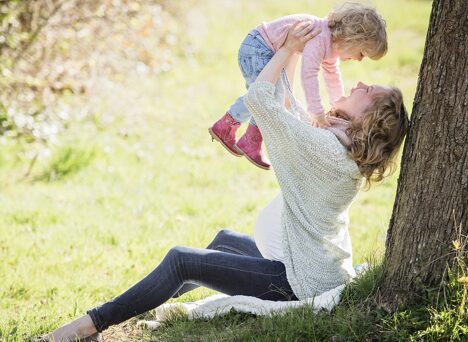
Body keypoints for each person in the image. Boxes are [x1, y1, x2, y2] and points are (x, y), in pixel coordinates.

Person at [42, 21, 408, 341]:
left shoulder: (326, 150)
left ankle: (90, 325)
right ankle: (138, 303)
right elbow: (290, 109)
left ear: (369, 119)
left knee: (181, 261)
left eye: (368, 91)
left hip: (298, 284)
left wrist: (284, 49)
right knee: (223, 242)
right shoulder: (337, 143)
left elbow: (261, 100)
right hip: (307, 266)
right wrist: (294, 52)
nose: (359, 82)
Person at [208, 2, 388, 170]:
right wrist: (316, 112)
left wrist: (337, 103)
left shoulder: (331, 45)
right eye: (362, 54)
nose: (358, 60)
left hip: (262, 49)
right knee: (266, 96)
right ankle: (244, 136)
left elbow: (332, 76)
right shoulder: (320, 37)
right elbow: (308, 74)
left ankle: (235, 131)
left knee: (266, 96)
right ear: (353, 39)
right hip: (258, 48)